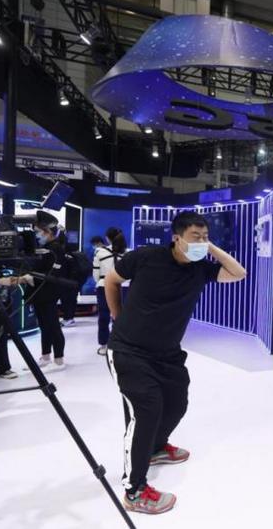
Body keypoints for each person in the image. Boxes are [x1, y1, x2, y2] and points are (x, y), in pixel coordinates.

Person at [104, 211, 246, 514]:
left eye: (205, 237)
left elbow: (238, 273)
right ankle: (134, 490)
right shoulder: (146, 257)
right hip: (129, 350)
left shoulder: (200, 269)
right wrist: (117, 316)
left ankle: (155, 448)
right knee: (146, 412)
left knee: (177, 404)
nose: (201, 242)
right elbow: (112, 281)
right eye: (195, 237)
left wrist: (208, 246)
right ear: (176, 238)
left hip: (167, 354)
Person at [26, 211, 68, 370]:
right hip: (40, 292)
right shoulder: (44, 248)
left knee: (53, 325)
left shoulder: (55, 249)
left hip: (49, 293)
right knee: (44, 325)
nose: (37, 235)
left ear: (48, 232)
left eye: (38, 232)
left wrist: (33, 276)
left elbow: (54, 273)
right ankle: (45, 356)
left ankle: (59, 358)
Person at [94, 228, 127, 356]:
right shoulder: (127, 252)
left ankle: (104, 345)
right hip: (123, 286)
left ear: (107, 238)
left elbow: (96, 274)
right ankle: (119, 344)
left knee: (104, 316)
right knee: (121, 316)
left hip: (104, 286)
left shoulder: (99, 252)